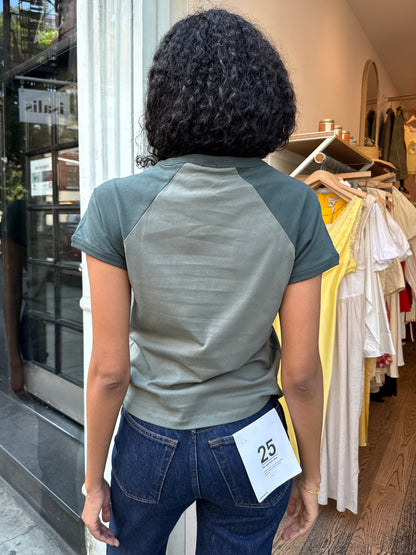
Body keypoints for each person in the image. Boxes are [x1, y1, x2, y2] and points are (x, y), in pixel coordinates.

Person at [72, 9, 339, 554]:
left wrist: (93, 479)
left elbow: (107, 371)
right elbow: (303, 373)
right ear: (268, 98)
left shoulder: (115, 203)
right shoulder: (296, 205)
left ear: (164, 100)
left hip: (149, 437)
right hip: (253, 434)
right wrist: (310, 478)